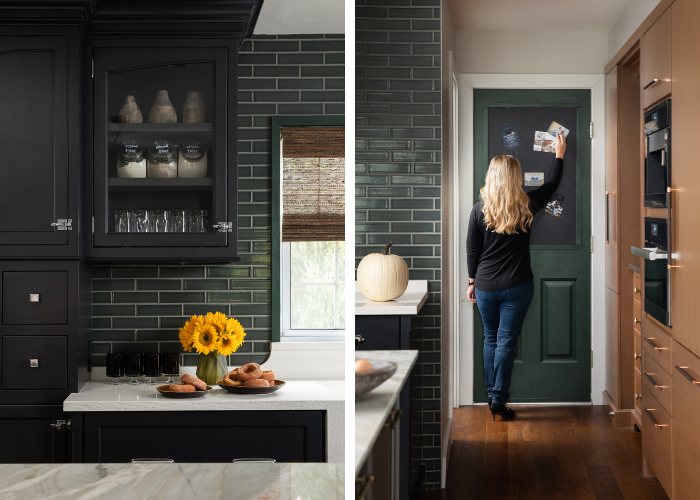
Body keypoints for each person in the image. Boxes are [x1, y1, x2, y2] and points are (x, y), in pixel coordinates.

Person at [466, 133, 566, 420]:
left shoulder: (479, 210)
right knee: (506, 342)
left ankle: (491, 397)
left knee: (490, 339)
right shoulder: (528, 204)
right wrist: (559, 153)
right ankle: (499, 400)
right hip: (518, 286)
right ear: (516, 177)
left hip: (486, 285)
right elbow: (552, 184)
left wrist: (471, 281)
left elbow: (472, 249)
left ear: (492, 176)